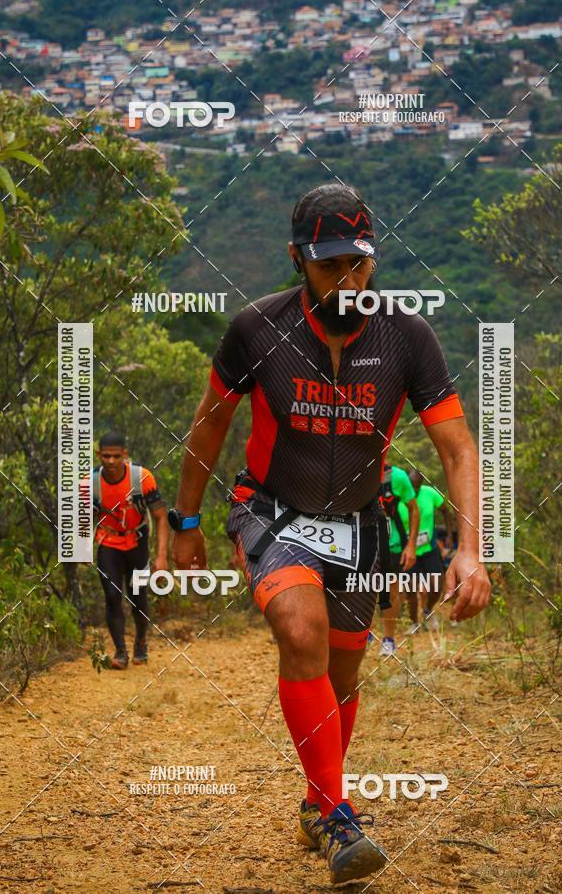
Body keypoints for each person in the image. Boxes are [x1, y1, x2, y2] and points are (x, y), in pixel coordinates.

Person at [170, 183, 491, 885]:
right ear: (297, 260)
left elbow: (458, 448)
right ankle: (342, 817)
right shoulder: (257, 330)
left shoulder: (408, 337)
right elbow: (211, 422)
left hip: (360, 524)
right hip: (271, 511)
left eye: (359, 264)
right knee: (301, 631)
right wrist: (186, 520)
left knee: (342, 675)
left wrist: (470, 549)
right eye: (329, 266)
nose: (347, 280)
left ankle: (319, 803)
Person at [92, 431, 169, 669]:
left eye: (116, 456)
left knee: (138, 597)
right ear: (99, 455)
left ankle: (140, 643)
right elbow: (82, 519)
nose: (111, 461)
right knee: (113, 596)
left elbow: (160, 516)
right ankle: (120, 651)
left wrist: (161, 556)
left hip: (137, 542)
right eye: (106, 456)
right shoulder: (91, 483)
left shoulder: (142, 478)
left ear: (124, 455)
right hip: (108, 543)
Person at [402, 469, 454, 633]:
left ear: (421, 485)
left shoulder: (430, 494)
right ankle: (413, 623)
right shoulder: (398, 496)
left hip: (429, 548)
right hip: (407, 551)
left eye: (417, 487)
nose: (414, 490)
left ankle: (428, 610)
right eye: (411, 486)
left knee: (436, 586)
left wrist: (449, 536)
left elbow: (446, 511)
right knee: (410, 590)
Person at [377, 464, 419, 656]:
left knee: (391, 591)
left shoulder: (398, 477)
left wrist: (411, 545)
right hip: (360, 543)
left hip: (392, 544)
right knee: (360, 589)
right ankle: (362, 633)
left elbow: (414, 509)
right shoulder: (353, 469)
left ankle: (388, 639)